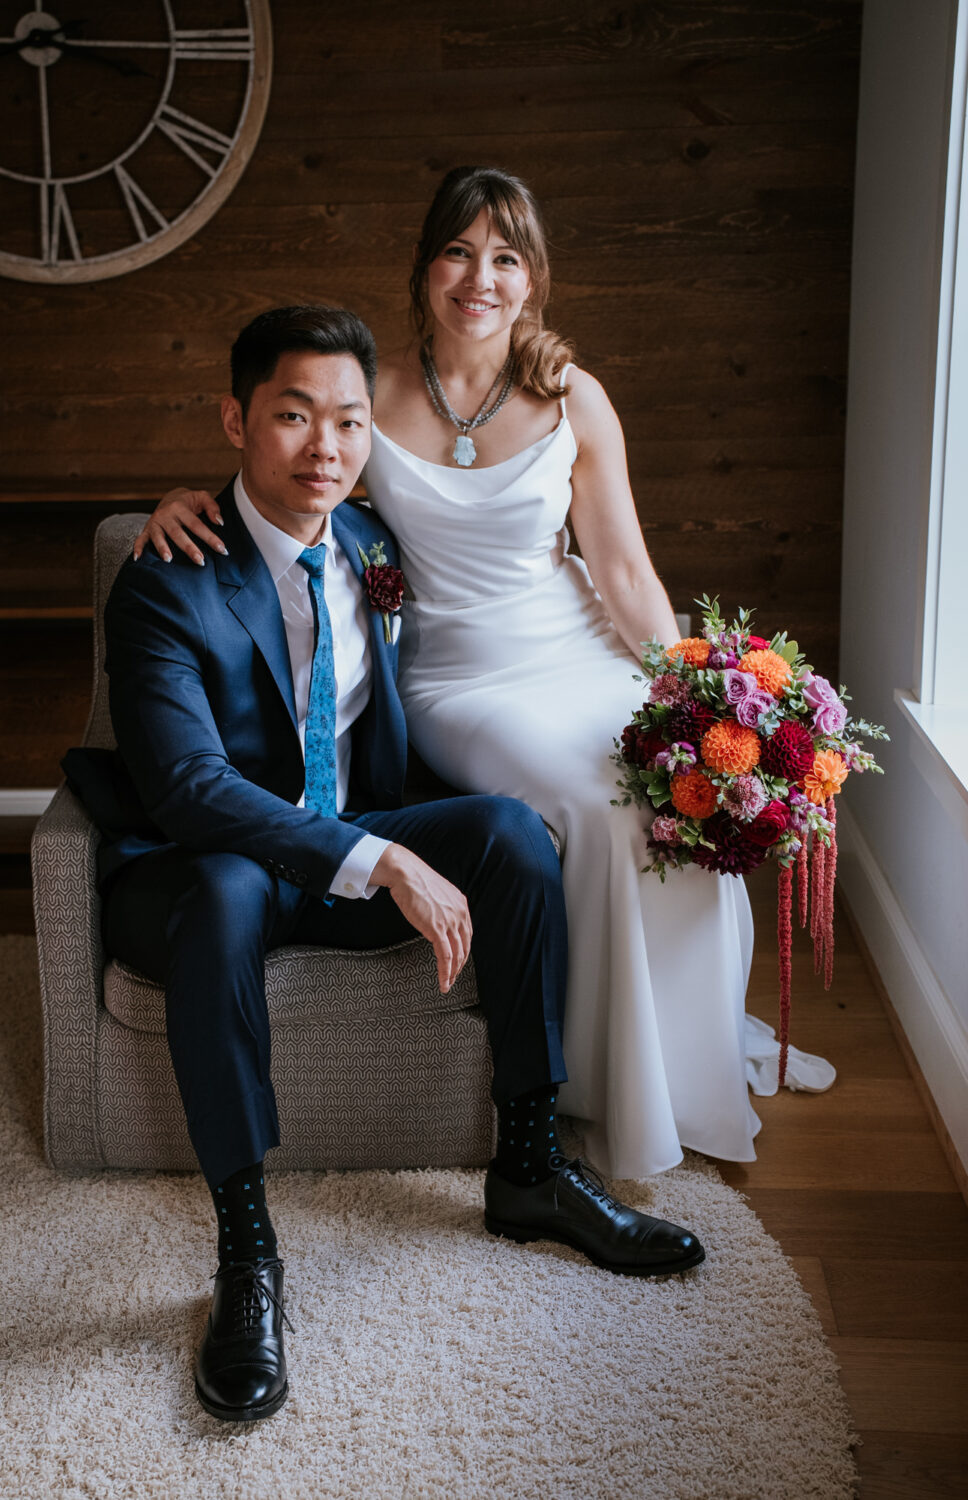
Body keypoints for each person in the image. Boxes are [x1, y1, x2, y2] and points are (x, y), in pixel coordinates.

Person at [64, 305, 705, 1426]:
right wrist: (379, 860)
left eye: (348, 421)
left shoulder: (370, 546)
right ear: (236, 419)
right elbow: (190, 793)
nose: (325, 446)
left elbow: (518, 583)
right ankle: (247, 1254)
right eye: (293, 415)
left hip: (350, 837)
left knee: (509, 834)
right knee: (218, 888)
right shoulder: (168, 578)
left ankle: (530, 1164)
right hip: (219, 862)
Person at [135, 167, 834, 1182]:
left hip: (576, 646)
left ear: (533, 279)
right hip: (457, 676)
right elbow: (288, 476)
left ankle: (683, 1063)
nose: (481, 277)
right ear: (424, 271)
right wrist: (172, 498)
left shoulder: (574, 396)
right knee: (591, 805)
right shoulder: (371, 398)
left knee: (666, 786)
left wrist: (687, 691)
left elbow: (627, 570)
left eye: (505, 257)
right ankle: (593, 1082)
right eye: (460, 252)